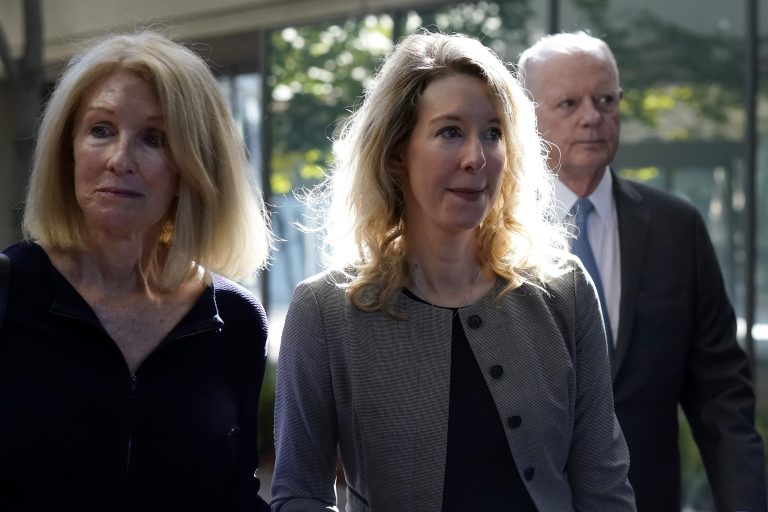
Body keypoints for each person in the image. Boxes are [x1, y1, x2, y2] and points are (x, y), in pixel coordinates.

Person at [271, 31, 635, 511]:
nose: (476, 158)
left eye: (492, 133)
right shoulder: (326, 310)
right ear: (397, 152)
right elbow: (297, 493)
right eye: (450, 132)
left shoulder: (564, 289)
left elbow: (603, 487)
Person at [0, 31, 273, 511]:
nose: (120, 160)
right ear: (69, 150)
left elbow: (236, 497)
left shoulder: (234, 321)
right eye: (100, 129)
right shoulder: (7, 293)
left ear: (193, 165)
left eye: (154, 138)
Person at [518, 31, 767, 512]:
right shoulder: (491, 233)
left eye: (605, 99)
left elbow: (721, 395)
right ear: (525, 118)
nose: (592, 116)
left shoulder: (677, 228)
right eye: (568, 103)